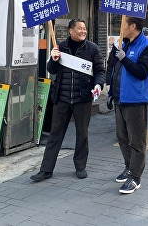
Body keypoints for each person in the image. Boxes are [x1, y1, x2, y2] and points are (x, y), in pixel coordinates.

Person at [30, 19, 105, 182]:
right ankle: (46, 169)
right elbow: (51, 70)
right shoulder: (61, 47)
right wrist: (54, 59)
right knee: (55, 134)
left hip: (83, 98)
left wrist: (99, 85)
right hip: (62, 98)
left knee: (82, 134)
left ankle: (80, 166)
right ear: (70, 30)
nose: (83, 31)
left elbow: (100, 71)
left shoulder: (92, 49)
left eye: (84, 29)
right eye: (79, 28)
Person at [106, 16, 148, 194]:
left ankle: (135, 177)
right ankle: (129, 167)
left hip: (136, 100)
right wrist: (111, 91)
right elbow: (115, 70)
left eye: (123, 26)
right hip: (121, 98)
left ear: (133, 26)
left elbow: (142, 72)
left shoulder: (147, 48)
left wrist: (124, 58)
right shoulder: (125, 44)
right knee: (122, 137)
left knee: (136, 141)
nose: (121, 29)